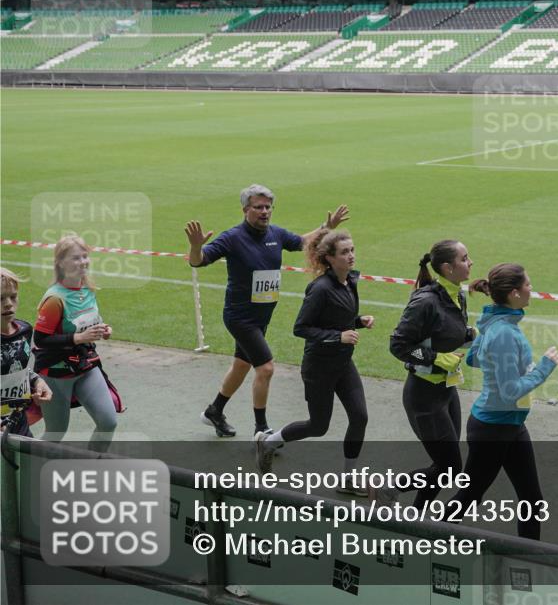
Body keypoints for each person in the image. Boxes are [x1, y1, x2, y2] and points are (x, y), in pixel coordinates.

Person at [186, 184, 348, 437]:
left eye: (267, 207)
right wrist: (195, 246)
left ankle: (214, 411)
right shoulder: (232, 237)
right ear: (245, 210)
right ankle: (261, 428)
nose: (264, 211)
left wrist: (328, 228)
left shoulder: (276, 234)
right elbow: (199, 260)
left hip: (262, 316)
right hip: (240, 317)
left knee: (241, 364)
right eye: (258, 207)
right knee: (266, 368)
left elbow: (302, 242)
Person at [254, 230, 374, 493]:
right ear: (329, 258)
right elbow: (302, 328)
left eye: (352, 249)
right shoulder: (320, 289)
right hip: (319, 368)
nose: (351, 255)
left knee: (360, 417)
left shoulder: (350, 281)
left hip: (343, 363)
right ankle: (269, 442)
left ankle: (348, 479)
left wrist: (358, 322)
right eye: (344, 252)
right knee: (318, 426)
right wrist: (338, 336)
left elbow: (336, 321)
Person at [450, 263, 558, 539]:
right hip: (494, 429)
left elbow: (475, 358)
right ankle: (425, 539)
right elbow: (511, 391)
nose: (531, 288)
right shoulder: (504, 333)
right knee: (469, 496)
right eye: (528, 284)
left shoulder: (497, 323)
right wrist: (543, 367)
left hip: (507, 424)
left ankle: (528, 562)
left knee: (532, 500)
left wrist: (488, 332)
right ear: (514, 293)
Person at [386, 240, 475, 508]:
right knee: (450, 468)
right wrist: (436, 358)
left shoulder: (457, 294)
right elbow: (398, 346)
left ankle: (417, 517)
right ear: (448, 268)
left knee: (445, 467)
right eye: (465, 258)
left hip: (446, 391)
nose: (470, 262)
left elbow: (447, 333)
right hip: (423, 396)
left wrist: (471, 335)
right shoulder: (425, 302)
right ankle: (390, 489)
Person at [32, 235, 117, 451]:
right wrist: (79, 338)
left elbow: (88, 322)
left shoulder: (87, 289)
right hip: (55, 374)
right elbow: (41, 339)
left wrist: (103, 329)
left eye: (85, 256)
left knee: (108, 422)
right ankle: (29, 468)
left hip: (84, 366)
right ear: (61, 263)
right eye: (76, 258)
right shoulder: (54, 299)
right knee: (55, 434)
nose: (83, 262)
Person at [2, 268, 52, 437]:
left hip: (18, 419)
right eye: (0, 298)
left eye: (13, 296)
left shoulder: (24, 330)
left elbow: (17, 369)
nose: (8, 303)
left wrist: (36, 381)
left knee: (29, 462)